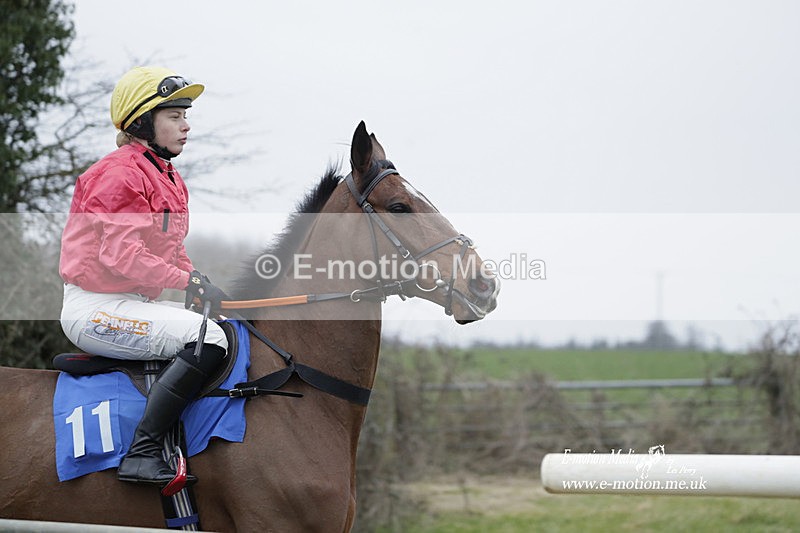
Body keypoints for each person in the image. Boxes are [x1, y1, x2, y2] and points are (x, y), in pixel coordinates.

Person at [59, 66, 228, 488]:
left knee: (225, 326)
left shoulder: (165, 176)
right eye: (174, 116)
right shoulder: (119, 173)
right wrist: (184, 282)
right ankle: (142, 453)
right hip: (94, 308)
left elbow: (171, 250)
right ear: (142, 123)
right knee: (210, 338)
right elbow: (121, 255)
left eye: (185, 116)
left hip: (132, 303)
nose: (186, 126)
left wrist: (196, 279)